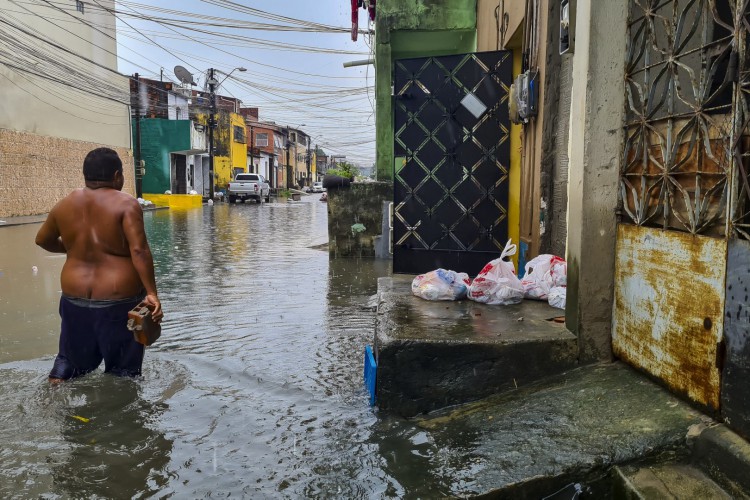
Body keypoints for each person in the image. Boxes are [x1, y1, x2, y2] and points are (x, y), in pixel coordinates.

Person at [35, 147, 163, 382]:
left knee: (69, 362)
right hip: (118, 302)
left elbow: (42, 240)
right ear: (117, 176)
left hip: (73, 299)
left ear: (86, 175)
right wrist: (152, 294)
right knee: (123, 374)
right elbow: (139, 250)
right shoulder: (126, 203)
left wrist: (74, 249)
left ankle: (55, 388)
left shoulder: (65, 203)